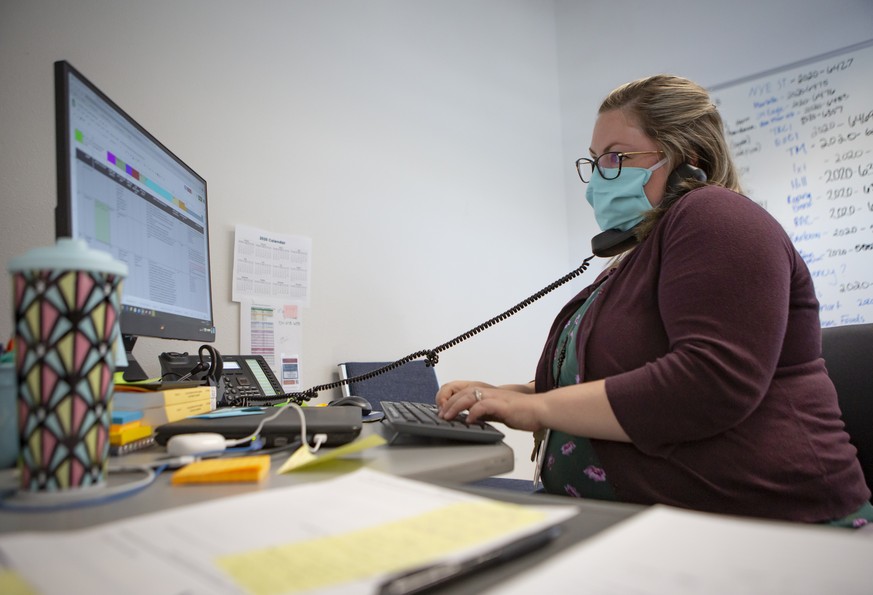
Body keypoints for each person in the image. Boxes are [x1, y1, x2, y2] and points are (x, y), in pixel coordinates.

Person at [436, 74, 872, 526]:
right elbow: (618, 375)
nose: (598, 179)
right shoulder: (635, 259)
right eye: (594, 160)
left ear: (687, 159)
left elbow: (709, 382)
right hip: (653, 524)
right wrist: (508, 394)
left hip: (772, 530)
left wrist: (537, 408)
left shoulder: (718, 215)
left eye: (616, 156)